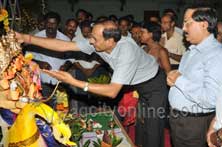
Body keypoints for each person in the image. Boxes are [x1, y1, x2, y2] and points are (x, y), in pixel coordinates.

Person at [15, 20, 167, 147]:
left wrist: (74, 82)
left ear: (110, 41)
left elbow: (112, 91)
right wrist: (27, 38)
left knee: (153, 129)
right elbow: (65, 45)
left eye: (95, 38)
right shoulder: (98, 42)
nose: (91, 41)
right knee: (140, 129)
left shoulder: (126, 52)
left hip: (155, 85)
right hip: (139, 85)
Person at [167, 6, 222, 147]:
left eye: (187, 23)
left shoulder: (215, 54)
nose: (184, 28)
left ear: (203, 24)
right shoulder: (191, 51)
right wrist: (174, 81)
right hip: (179, 120)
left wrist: (179, 80)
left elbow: (210, 99)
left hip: (194, 124)